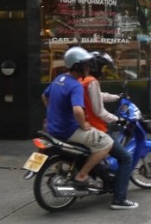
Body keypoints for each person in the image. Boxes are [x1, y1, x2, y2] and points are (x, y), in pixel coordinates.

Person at [41, 46, 113, 191]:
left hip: (52, 127)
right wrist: (84, 124)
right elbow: (78, 110)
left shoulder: (59, 78)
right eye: (86, 64)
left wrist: (52, 113)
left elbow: (44, 95)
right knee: (107, 143)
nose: (88, 67)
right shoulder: (75, 85)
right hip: (68, 130)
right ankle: (82, 175)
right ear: (77, 66)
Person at [80, 51, 138, 210]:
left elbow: (98, 96)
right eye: (103, 67)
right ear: (96, 67)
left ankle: (105, 179)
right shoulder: (92, 82)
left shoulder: (81, 80)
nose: (104, 70)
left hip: (81, 126)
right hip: (95, 127)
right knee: (126, 158)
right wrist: (118, 119)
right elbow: (99, 111)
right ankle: (119, 199)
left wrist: (117, 97)